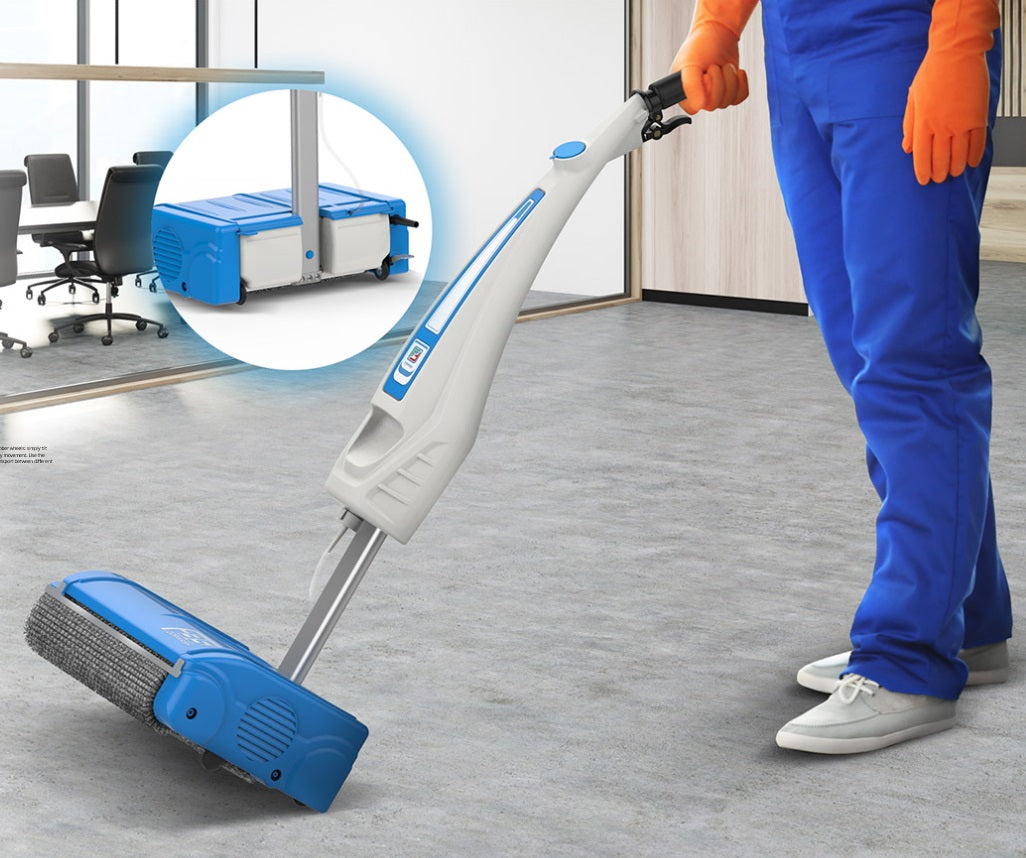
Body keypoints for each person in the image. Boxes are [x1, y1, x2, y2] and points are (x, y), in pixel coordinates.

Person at [670, 0, 1013, 753]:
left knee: (912, 355)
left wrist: (959, 37)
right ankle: (970, 617)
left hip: (900, 39)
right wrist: (718, 23)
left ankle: (907, 657)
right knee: (860, 350)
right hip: (797, 52)